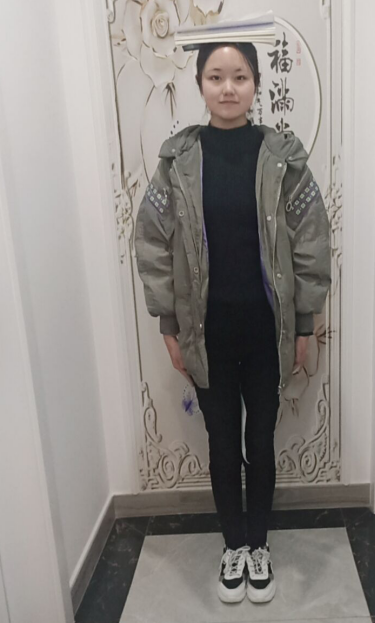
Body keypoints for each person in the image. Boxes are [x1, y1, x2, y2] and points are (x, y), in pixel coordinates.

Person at [134, 41, 331, 604]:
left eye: (239, 76)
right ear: (199, 83)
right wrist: (169, 324)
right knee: (222, 443)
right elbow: (151, 241)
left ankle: (259, 544)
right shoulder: (177, 162)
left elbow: (311, 242)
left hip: (267, 334)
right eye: (215, 76)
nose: (227, 88)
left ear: (255, 84)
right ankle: (233, 545)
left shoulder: (283, 158)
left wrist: (303, 323)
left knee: (260, 440)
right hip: (206, 335)